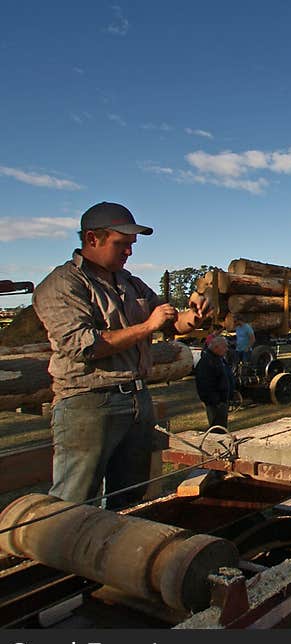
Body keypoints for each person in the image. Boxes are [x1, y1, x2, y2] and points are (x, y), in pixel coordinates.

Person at [32, 201, 211, 509]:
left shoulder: (131, 283)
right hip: (88, 402)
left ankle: (116, 553)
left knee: (131, 495)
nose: (129, 251)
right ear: (92, 239)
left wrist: (194, 317)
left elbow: (171, 321)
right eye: (122, 244)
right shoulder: (62, 284)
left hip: (137, 399)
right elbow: (84, 345)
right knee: (75, 501)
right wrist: (147, 327)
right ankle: (62, 556)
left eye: (131, 245)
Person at [195, 334, 234, 429]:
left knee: (223, 428)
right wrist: (216, 401)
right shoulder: (207, 362)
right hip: (215, 404)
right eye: (224, 347)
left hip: (222, 401)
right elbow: (204, 385)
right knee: (217, 430)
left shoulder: (219, 359)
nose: (227, 349)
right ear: (216, 347)